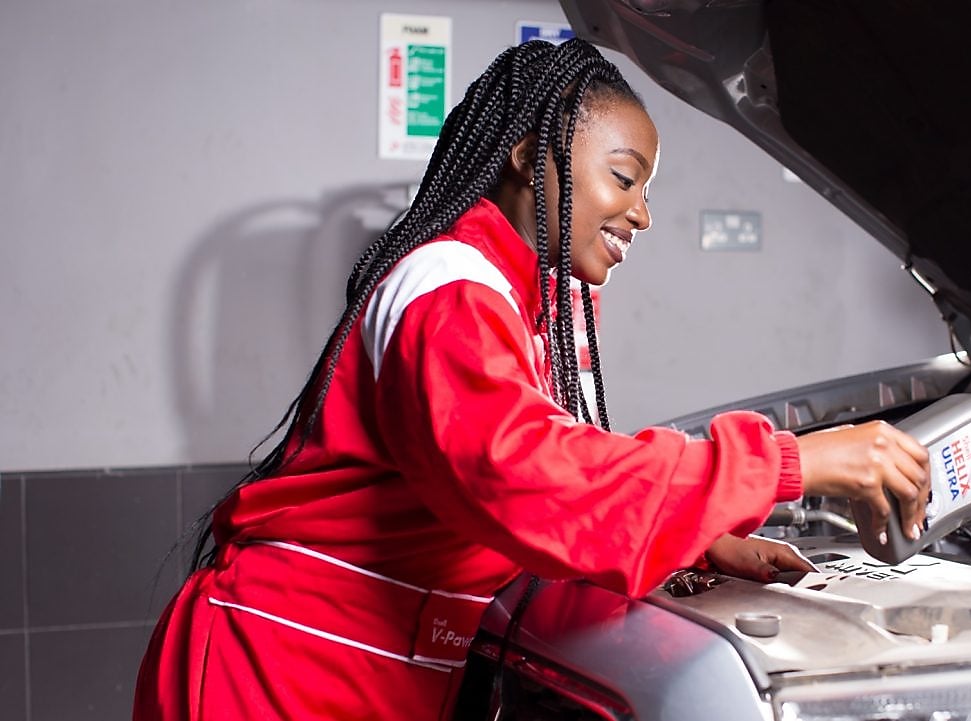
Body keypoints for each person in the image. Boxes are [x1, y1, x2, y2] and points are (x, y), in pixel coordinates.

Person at [133, 38, 930, 721]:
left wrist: (696, 536)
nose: (642, 215)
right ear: (527, 154)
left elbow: (554, 485)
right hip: (271, 674)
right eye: (624, 178)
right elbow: (530, 479)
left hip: (362, 673)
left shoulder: (525, 301)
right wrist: (796, 460)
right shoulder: (452, 292)